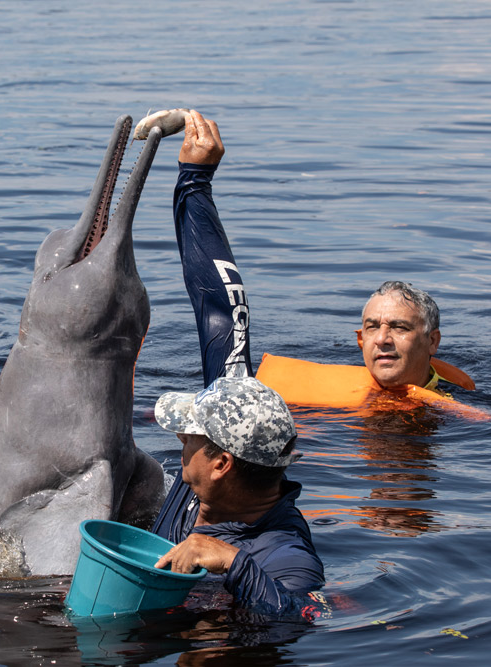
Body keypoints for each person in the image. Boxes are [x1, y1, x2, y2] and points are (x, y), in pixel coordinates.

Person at [150, 111, 325, 617]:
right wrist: (194, 180)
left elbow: (311, 614)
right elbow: (221, 311)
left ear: (222, 463)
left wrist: (230, 561)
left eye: (190, 437)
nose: (180, 440)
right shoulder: (221, 438)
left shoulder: (283, 551)